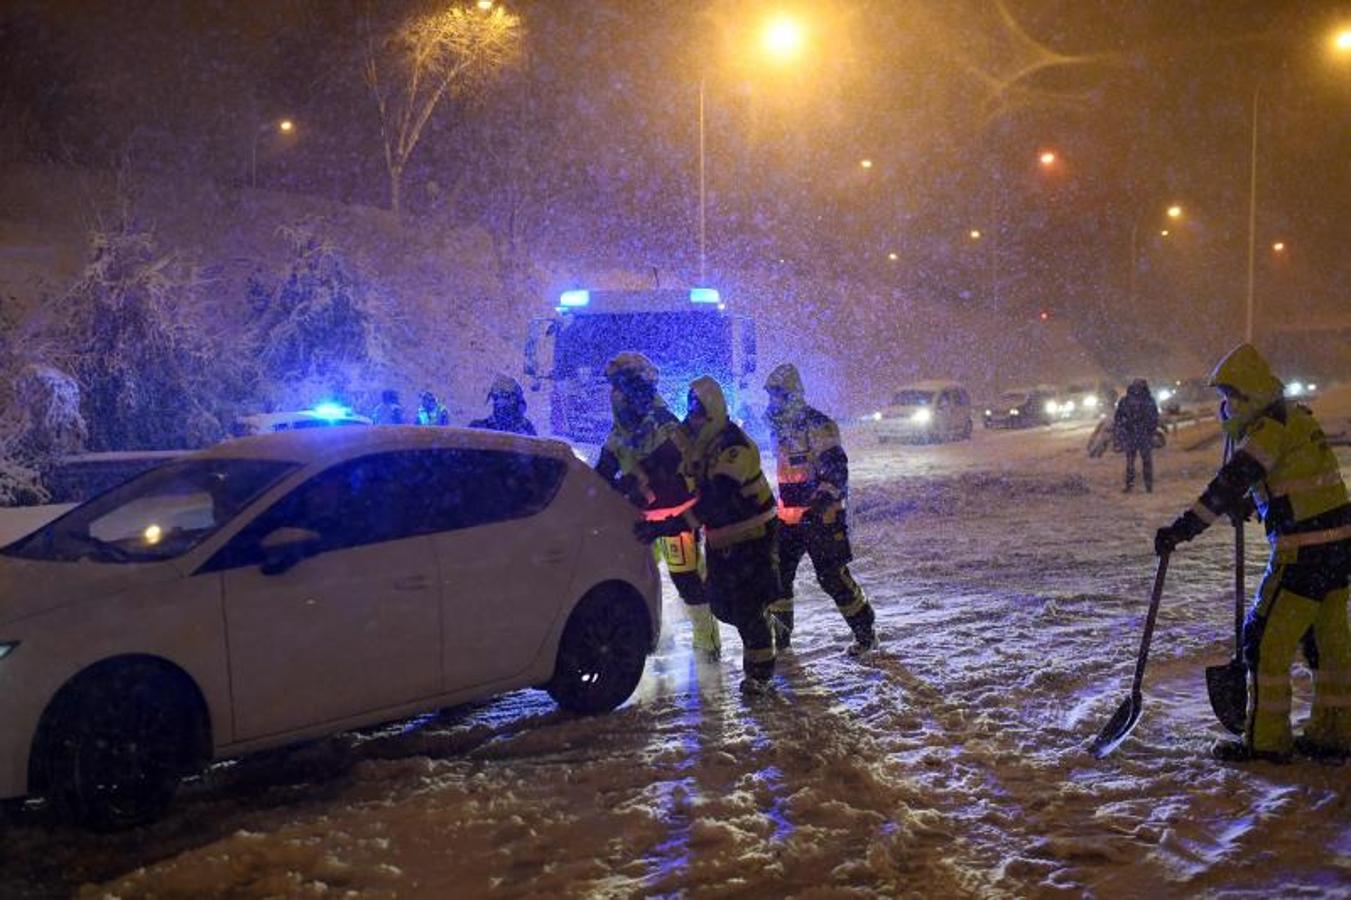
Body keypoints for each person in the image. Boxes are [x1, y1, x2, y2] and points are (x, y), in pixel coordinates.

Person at [1155, 343, 1350, 763]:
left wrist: (1181, 530)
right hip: (1339, 550)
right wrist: (1253, 503)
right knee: (1329, 645)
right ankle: (1335, 732)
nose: (1225, 408)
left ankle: (1266, 741)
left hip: (1304, 555)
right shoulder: (1296, 418)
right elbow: (1293, 480)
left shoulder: (1269, 429)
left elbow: (1230, 481)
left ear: (1247, 395)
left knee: (1264, 644)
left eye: (1229, 398)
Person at [636, 376, 782, 696]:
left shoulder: (734, 446)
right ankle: (762, 621)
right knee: (721, 604)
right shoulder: (701, 441)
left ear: (713, 411)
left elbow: (718, 497)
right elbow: (668, 464)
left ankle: (760, 673)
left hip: (753, 532)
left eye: (699, 412)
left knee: (746, 606)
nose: (693, 419)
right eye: (691, 412)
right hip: (722, 537)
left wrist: (668, 526)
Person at [595, 353, 721, 660]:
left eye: (619, 387)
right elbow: (602, 473)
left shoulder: (665, 427)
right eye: (613, 388)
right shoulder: (619, 433)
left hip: (675, 520)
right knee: (638, 581)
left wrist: (637, 487)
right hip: (639, 523)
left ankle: (706, 648)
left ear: (636, 388)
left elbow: (674, 476)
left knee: (688, 582)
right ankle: (657, 638)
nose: (615, 395)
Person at [762, 363, 877, 656]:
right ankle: (781, 640)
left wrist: (820, 503)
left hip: (821, 518)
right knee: (778, 579)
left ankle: (866, 634)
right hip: (789, 519)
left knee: (832, 577)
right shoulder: (780, 430)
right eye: (770, 396)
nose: (771, 402)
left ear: (790, 396)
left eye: (776, 395)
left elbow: (836, 468)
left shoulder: (818, 424)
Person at [1113, 379, 1159, 492]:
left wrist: (1123, 430)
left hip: (1131, 435)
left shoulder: (1125, 401)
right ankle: (1148, 486)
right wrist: (1150, 430)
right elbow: (1154, 418)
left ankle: (1130, 485)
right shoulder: (1148, 400)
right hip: (1143, 435)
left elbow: (1118, 418)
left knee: (1130, 462)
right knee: (1146, 461)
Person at [468, 375, 537, 436]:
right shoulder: (478, 428)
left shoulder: (526, 429)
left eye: (507, 396)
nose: (500, 402)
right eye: (497, 397)